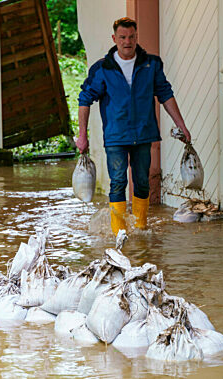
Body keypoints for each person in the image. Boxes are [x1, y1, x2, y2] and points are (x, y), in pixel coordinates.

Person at [76, 17, 191, 236]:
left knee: (142, 181)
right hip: (116, 137)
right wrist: (82, 135)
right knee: (118, 182)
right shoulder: (103, 68)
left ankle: (140, 229)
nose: (127, 42)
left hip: (143, 134)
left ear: (136, 37)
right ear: (114, 38)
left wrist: (181, 125)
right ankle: (119, 234)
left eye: (131, 37)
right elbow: (84, 100)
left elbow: (165, 94)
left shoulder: (152, 64)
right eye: (122, 37)